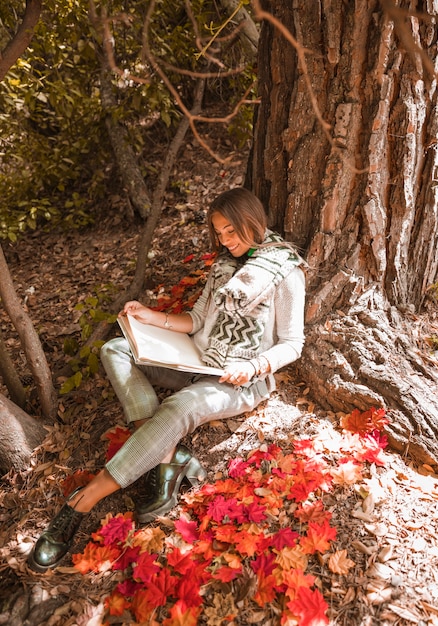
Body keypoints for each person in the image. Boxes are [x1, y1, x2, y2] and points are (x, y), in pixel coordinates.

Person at [28, 187, 306, 572]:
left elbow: (294, 343)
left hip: (239, 378)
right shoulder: (224, 265)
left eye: (231, 231)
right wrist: (149, 316)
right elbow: (195, 320)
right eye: (219, 233)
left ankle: (82, 500)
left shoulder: (285, 271)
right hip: (198, 359)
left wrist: (255, 366)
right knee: (115, 349)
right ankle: (166, 455)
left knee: (181, 405)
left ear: (252, 222)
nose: (225, 241)